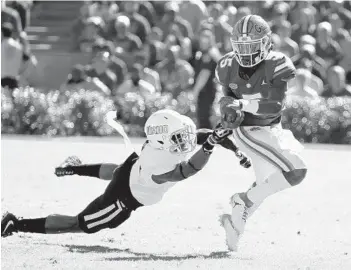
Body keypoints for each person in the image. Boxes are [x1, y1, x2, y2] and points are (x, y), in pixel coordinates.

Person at [1, 109, 250, 238]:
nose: (185, 140)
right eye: (178, 137)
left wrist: (232, 148)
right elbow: (186, 171)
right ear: (163, 140)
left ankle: (74, 168)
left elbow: (204, 135)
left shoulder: (159, 144)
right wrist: (209, 146)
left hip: (132, 172)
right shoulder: (159, 161)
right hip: (124, 198)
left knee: (121, 170)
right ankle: (17, 223)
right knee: (78, 225)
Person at [215, 15, 307, 251]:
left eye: (252, 46)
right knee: (296, 171)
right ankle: (241, 201)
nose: (246, 53)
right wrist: (226, 109)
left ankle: (234, 227)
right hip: (248, 129)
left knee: (264, 185)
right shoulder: (227, 66)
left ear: (266, 44)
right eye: (241, 47)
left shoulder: (277, 64)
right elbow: (226, 100)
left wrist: (241, 105)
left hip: (271, 126)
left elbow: (274, 106)